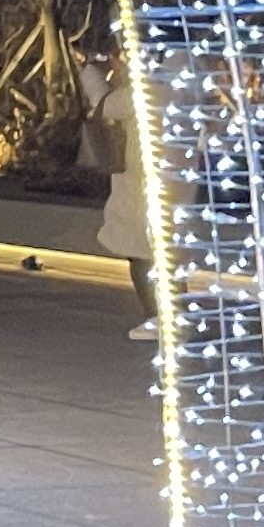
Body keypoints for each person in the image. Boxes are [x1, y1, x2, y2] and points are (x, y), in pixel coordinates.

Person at [79, 37, 163, 343]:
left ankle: (157, 316)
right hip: (171, 186)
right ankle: (174, 316)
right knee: (164, 255)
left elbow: (104, 106)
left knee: (140, 253)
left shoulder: (142, 93)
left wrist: (91, 73)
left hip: (140, 188)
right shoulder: (180, 87)